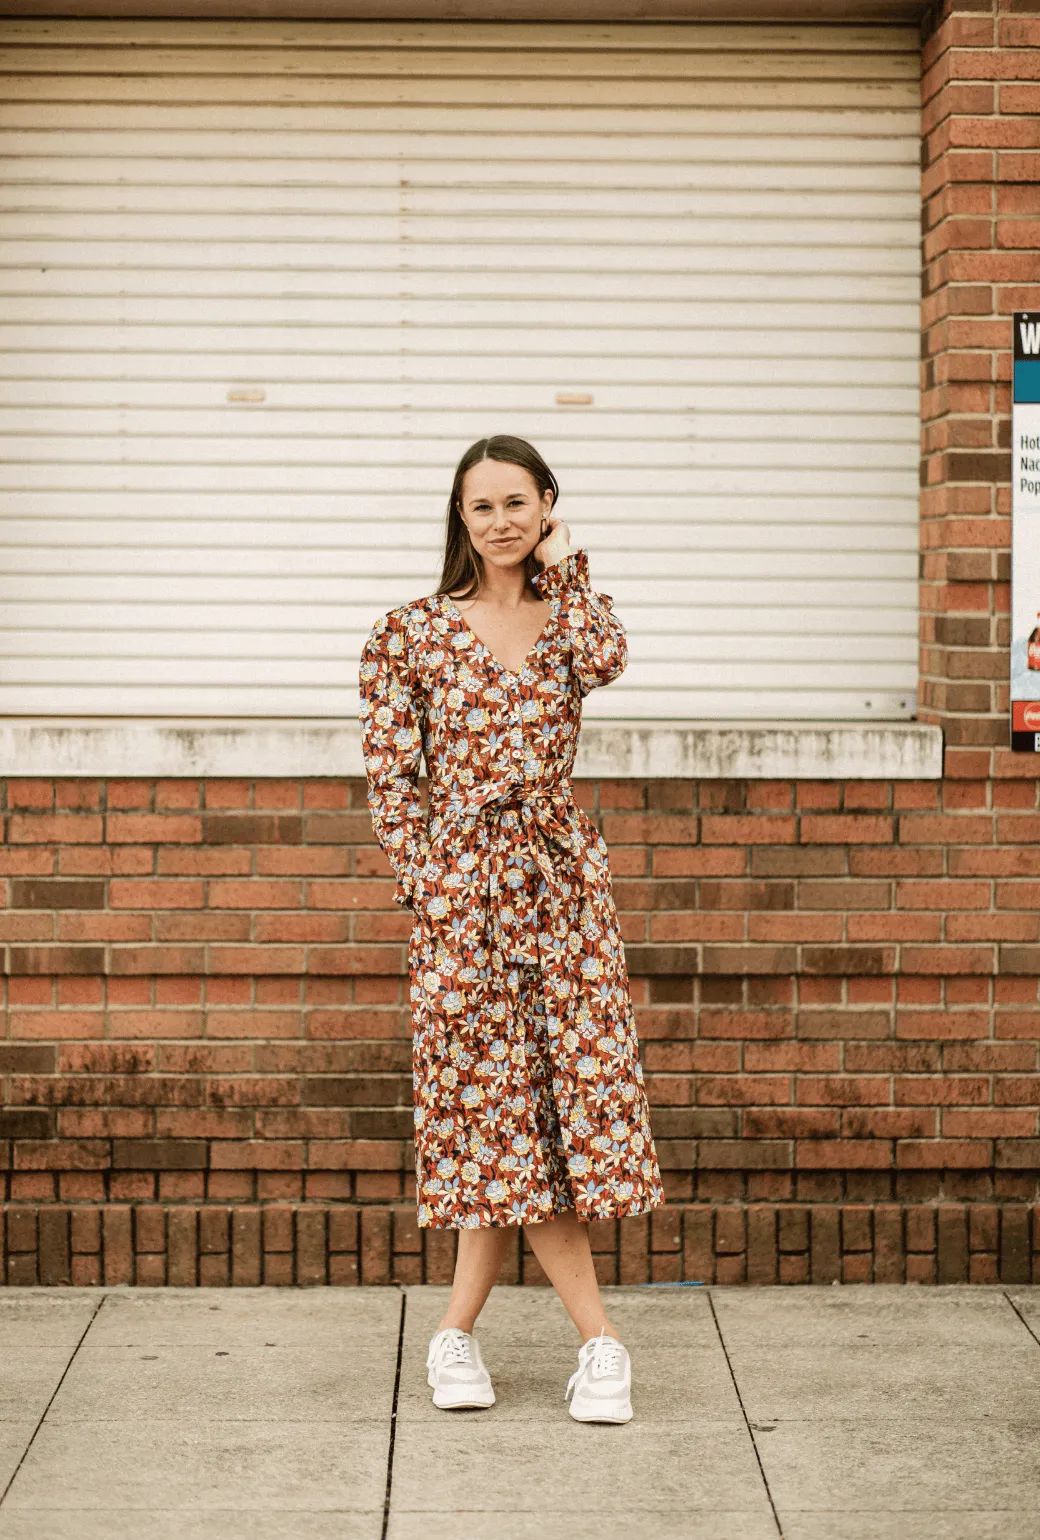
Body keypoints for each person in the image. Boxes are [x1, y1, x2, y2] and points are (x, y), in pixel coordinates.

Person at [358, 434, 664, 1423]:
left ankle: (456, 1338)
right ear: (459, 518)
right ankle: (597, 1342)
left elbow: (609, 660)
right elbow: (392, 784)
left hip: (563, 902)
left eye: (515, 502)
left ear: (546, 506)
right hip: (464, 905)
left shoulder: (574, 618)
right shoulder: (408, 634)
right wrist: (431, 888)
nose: (497, 521)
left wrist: (567, 565)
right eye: (478, 506)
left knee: (543, 1121)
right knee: (498, 1120)